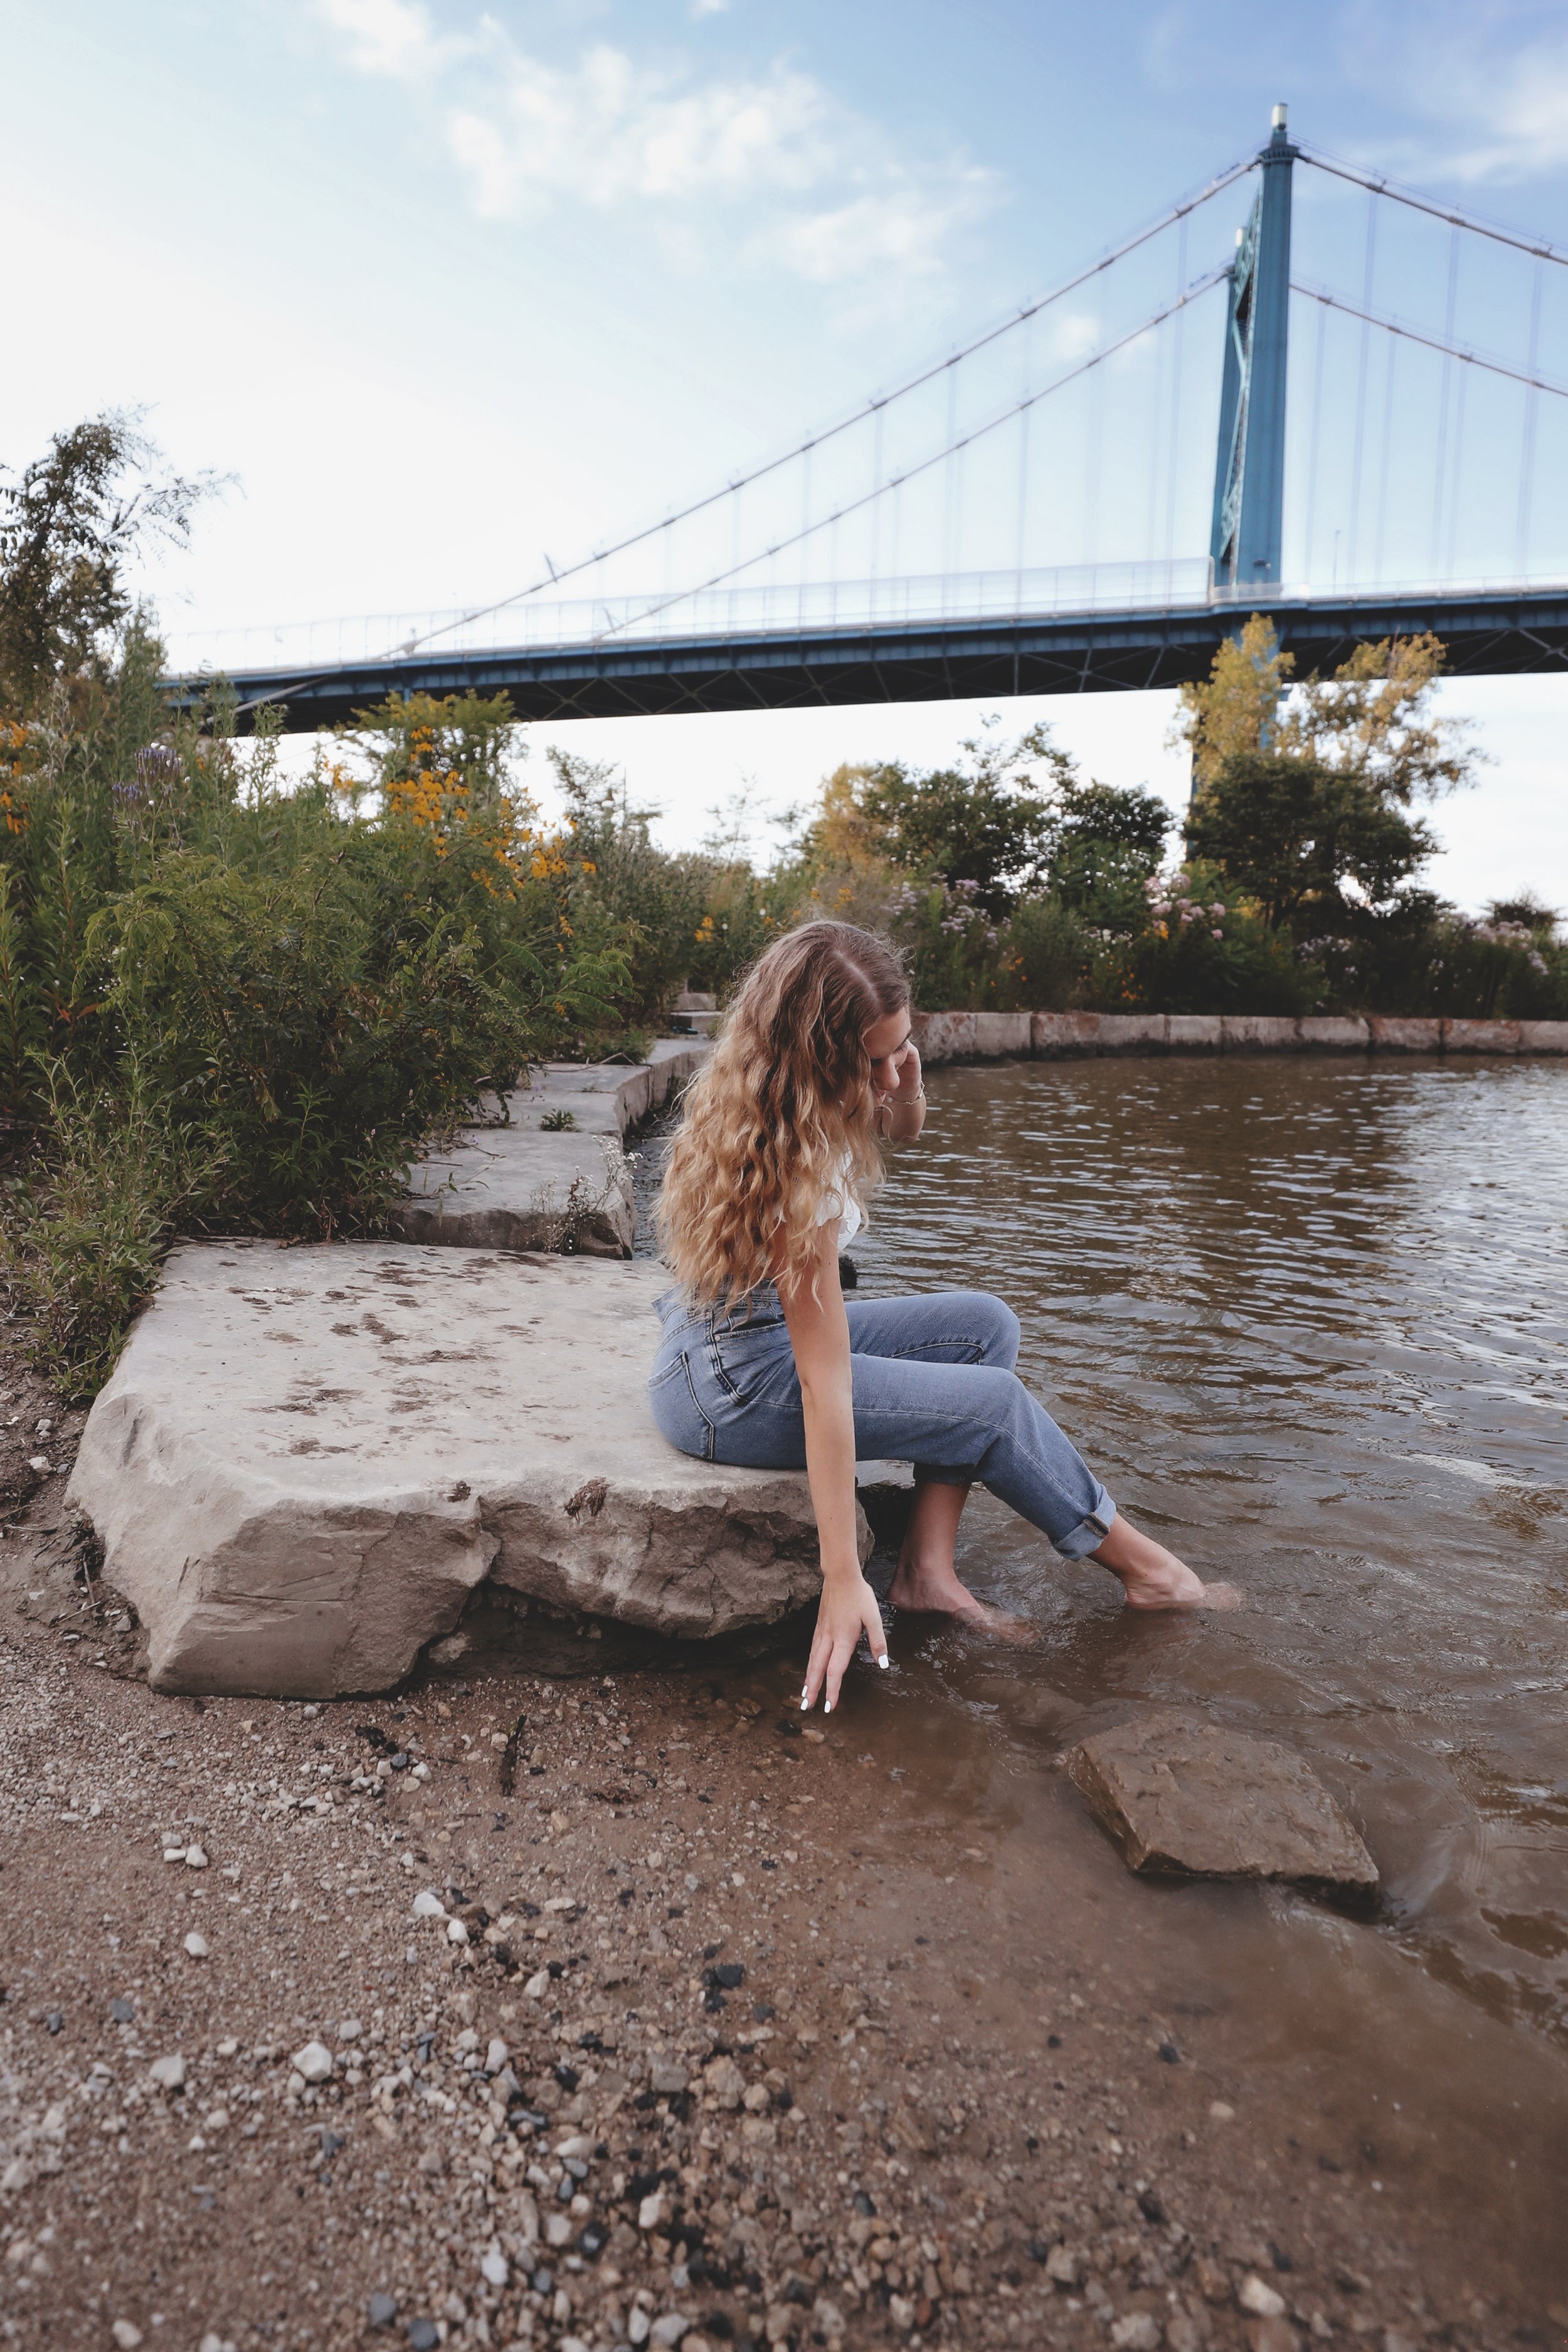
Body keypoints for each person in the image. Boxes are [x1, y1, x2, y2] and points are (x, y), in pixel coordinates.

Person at [650, 919, 1219, 1717]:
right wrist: (841, 1575)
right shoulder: (795, 1162)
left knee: (985, 1327)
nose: (888, 1075)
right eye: (872, 1060)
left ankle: (927, 1572)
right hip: (734, 1385)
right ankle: (1149, 1574)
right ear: (818, 1055)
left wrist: (905, 1081)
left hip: (725, 1344)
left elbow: (903, 1126)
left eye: (900, 1049)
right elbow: (821, 1383)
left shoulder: (791, 1097)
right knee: (993, 1409)